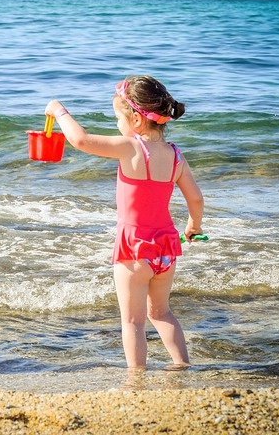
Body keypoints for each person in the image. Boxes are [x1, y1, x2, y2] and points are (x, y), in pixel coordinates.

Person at [45, 75, 204, 369]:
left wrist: (58, 110)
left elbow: (80, 140)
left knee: (132, 321)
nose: (117, 124)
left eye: (118, 117)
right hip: (166, 249)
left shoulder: (130, 148)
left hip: (134, 249)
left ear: (136, 121)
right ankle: (182, 365)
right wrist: (194, 226)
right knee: (162, 313)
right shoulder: (176, 156)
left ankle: (136, 376)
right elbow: (195, 199)